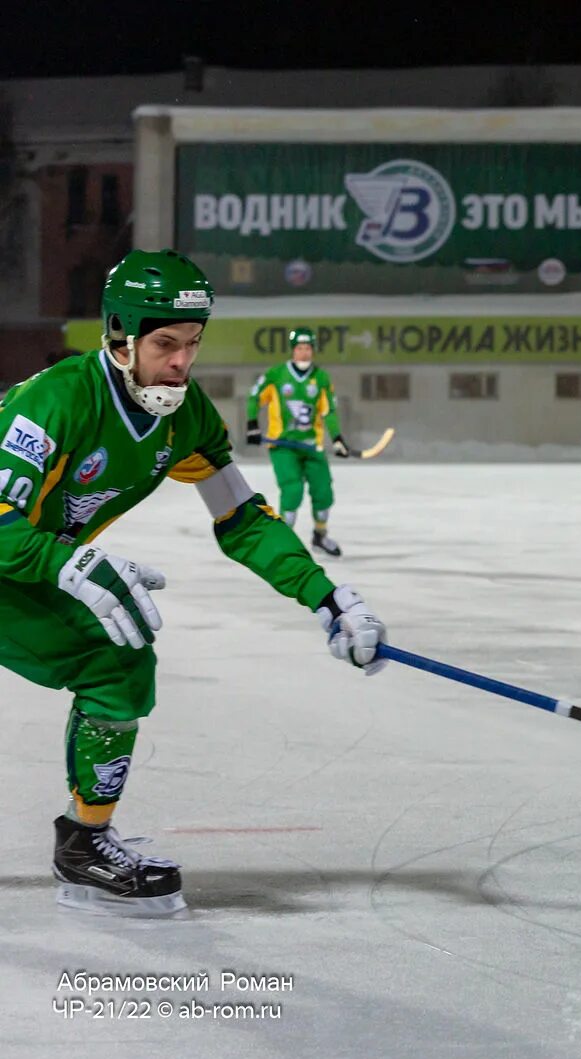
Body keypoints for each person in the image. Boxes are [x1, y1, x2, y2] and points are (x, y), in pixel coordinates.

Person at [0, 250, 386, 916]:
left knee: (116, 657)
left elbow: (239, 515)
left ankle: (84, 841)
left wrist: (324, 595)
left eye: (193, 343)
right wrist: (66, 560)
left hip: (23, 566)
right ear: (119, 337)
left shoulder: (186, 418)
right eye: (165, 343)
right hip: (19, 553)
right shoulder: (55, 401)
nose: (181, 362)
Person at [245, 327, 350, 556]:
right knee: (292, 490)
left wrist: (338, 438)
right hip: (283, 446)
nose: (304, 353)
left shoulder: (320, 378)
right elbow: (254, 397)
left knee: (324, 493)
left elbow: (328, 411)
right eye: (300, 348)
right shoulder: (276, 374)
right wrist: (252, 424)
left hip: (312, 446)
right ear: (293, 350)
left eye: (308, 348)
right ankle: (286, 543)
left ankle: (320, 536)